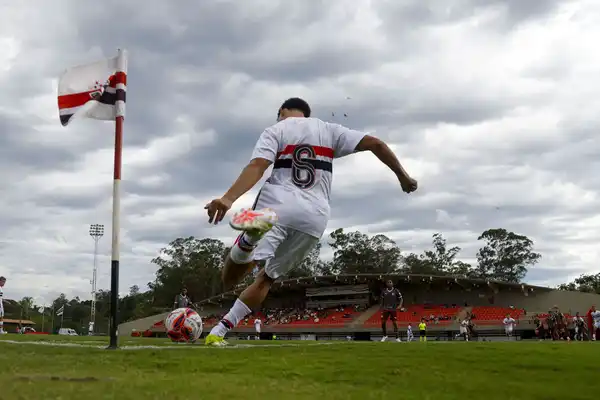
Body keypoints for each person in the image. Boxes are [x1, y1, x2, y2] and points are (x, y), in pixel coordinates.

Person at [203, 97, 418, 346]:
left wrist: (228, 198)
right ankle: (218, 332)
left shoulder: (276, 130)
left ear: (282, 111)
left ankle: (249, 239)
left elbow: (258, 165)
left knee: (230, 278)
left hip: (276, 207)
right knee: (267, 278)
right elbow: (376, 144)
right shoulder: (330, 130)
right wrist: (404, 177)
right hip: (314, 219)